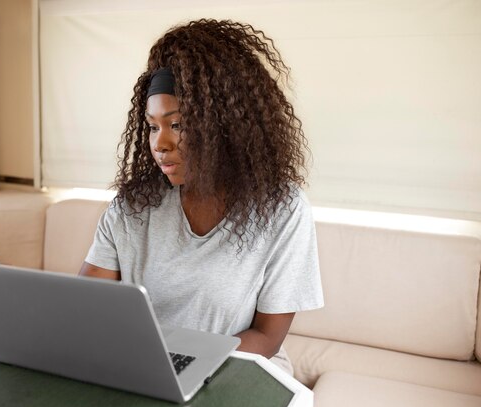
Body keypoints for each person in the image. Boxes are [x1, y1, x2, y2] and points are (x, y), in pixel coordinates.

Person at [79, 18, 323, 374]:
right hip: (143, 367)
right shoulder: (133, 207)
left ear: (224, 125)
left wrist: (182, 365)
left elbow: (267, 338)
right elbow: (84, 306)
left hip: (240, 367)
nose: (159, 144)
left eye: (176, 124)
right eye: (152, 126)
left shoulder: (282, 209)